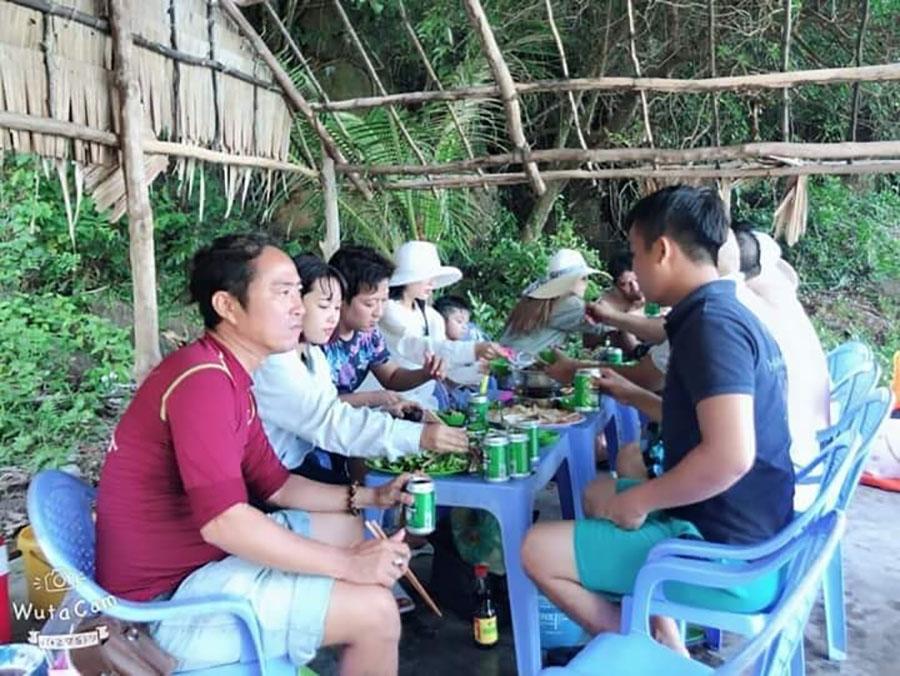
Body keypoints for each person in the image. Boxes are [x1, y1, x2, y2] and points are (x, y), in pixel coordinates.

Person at [96, 234, 414, 674]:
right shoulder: (203, 382)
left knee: (351, 527)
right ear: (228, 306)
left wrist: (372, 498)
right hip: (165, 605)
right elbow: (225, 522)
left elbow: (277, 485)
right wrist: (349, 567)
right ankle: (340, 625)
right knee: (377, 612)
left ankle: (319, 625)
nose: (299, 307)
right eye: (283, 292)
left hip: (202, 564)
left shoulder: (231, 376)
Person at [522, 186, 794, 657]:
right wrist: (630, 395)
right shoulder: (721, 311)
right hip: (748, 526)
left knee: (534, 550)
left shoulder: (712, 326)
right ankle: (665, 636)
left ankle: (648, 654)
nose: (634, 266)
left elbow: (730, 456)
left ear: (662, 250)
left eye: (634, 252)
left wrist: (643, 499)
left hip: (724, 556)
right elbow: (701, 421)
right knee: (596, 492)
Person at [253, 254, 468, 476]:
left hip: (307, 455)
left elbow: (333, 410)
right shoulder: (275, 362)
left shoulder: (313, 352)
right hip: (287, 467)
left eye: (335, 308)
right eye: (325, 306)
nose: (332, 317)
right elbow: (329, 421)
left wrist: (389, 408)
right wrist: (418, 436)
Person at [374, 241, 503, 410]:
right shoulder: (388, 311)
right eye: (428, 277)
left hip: (425, 405)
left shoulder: (432, 317)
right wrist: (474, 350)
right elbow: (416, 347)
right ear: (409, 278)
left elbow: (444, 367)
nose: (432, 284)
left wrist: (480, 370)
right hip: (390, 404)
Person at [500, 248, 609, 357]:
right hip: (524, 369)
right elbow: (607, 324)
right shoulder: (568, 303)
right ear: (571, 280)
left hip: (505, 364)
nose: (586, 283)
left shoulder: (535, 299)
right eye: (583, 278)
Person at [590, 251, 646, 354]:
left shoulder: (655, 296)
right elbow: (590, 343)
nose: (635, 288)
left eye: (637, 280)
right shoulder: (603, 304)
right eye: (625, 284)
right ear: (615, 285)